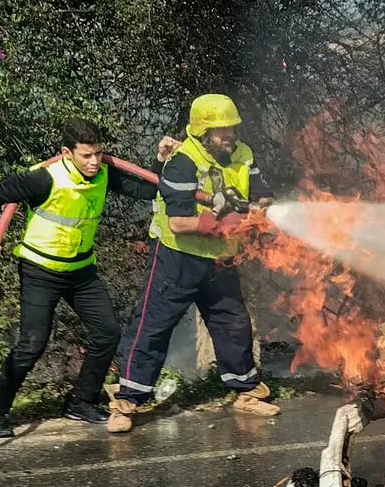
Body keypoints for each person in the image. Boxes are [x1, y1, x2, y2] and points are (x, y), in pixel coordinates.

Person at [0, 118, 169, 438]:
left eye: (98, 154)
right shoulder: (45, 179)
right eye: (86, 156)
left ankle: (80, 401)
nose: (94, 162)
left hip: (81, 270)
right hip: (40, 270)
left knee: (108, 332)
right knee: (32, 343)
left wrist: (159, 161)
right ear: (67, 153)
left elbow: (147, 187)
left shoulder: (105, 172)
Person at [108, 94, 279, 433]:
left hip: (220, 258)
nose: (228, 136)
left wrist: (258, 208)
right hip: (178, 257)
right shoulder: (183, 161)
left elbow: (263, 192)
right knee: (153, 325)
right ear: (203, 132)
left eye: (231, 128)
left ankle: (245, 391)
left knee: (233, 323)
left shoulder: (243, 155)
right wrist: (219, 224)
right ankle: (126, 401)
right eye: (220, 131)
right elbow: (177, 222)